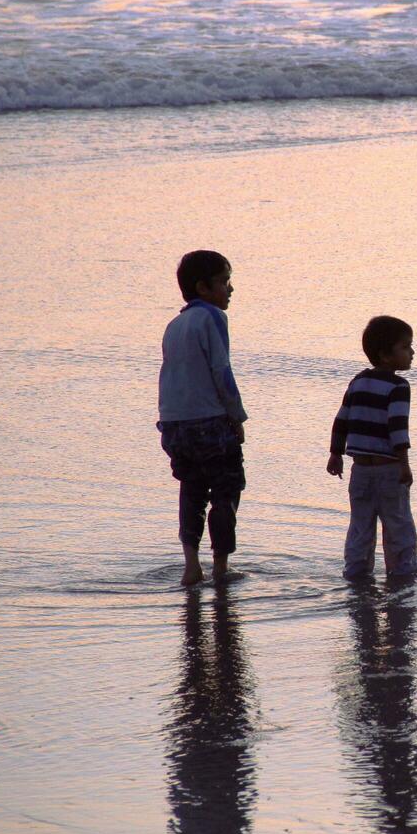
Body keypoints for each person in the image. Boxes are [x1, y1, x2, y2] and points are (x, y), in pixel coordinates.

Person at [158, 250, 247, 587]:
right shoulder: (213, 318)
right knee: (226, 489)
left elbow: (171, 376)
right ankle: (221, 566)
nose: (230, 289)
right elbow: (221, 371)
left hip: (174, 424)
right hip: (210, 422)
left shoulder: (174, 324)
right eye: (224, 282)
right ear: (203, 287)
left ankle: (191, 565)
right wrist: (236, 416)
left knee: (192, 491)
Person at [327, 316, 417, 580]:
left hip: (361, 471)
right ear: (385, 354)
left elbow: (341, 420)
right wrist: (405, 464)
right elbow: (397, 428)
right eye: (405, 347)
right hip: (389, 469)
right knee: (399, 526)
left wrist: (335, 453)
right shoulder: (399, 387)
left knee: (360, 528)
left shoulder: (357, 381)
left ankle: (356, 574)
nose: (412, 352)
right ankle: (403, 575)